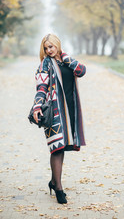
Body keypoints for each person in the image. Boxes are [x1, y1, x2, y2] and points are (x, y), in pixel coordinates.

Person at [32, 34, 86, 204]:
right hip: (55, 110)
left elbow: (81, 71)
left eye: (51, 47)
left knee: (62, 145)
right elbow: (41, 87)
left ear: (57, 45)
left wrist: (63, 56)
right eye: (46, 48)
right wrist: (37, 106)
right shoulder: (45, 64)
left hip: (69, 109)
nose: (48, 50)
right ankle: (59, 188)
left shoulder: (65, 60)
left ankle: (53, 181)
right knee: (56, 147)